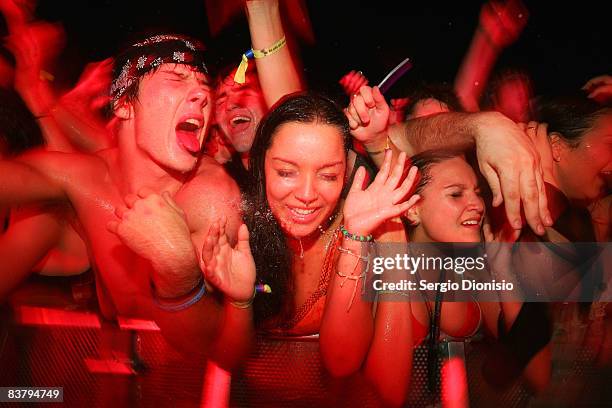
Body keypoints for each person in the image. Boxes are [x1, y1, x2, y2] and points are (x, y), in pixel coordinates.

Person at [0, 34, 252, 369]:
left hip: (184, 386)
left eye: (204, 84)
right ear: (124, 104)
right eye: (176, 78)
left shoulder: (210, 197)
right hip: (111, 371)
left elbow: (224, 354)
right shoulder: (86, 179)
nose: (203, 94)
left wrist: (178, 271)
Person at [201, 92, 418, 405]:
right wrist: (239, 302)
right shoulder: (236, 225)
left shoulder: (364, 226)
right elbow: (228, 362)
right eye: (287, 172)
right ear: (261, 165)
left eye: (328, 175)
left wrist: (356, 237)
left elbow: (343, 364)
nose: (306, 194)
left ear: (345, 175)